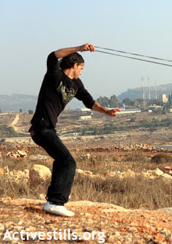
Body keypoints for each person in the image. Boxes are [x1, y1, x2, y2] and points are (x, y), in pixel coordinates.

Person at [29, 43, 120, 217]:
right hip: (41, 127)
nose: (81, 72)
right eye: (81, 68)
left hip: (48, 129)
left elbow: (89, 102)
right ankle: (56, 202)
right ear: (74, 65)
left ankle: (51, 200)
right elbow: (53, 55)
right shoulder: (54, 75)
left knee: (61, 160)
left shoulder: (76, 84)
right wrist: (80, 48)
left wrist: (106, 111)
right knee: (68, 162)